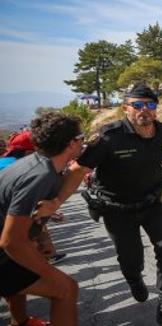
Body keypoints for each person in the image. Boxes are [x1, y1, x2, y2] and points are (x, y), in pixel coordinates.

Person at [45, 85, 162, 325]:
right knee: (130, 259)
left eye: (150, 105)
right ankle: (134, 278)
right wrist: (57, 201)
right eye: (138, 105)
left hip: (155, 203)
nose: (145, 110)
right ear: (126, 109)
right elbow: (78, 170)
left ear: (156, 109)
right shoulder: (108, 137)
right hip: (117, 208)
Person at [0, 112, 82, 326]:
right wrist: (52, 274)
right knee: (66, 288)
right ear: (71, 144)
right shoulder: (40, 176)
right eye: (81, 137)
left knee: (23, 272)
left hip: (6, 255)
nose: (82, 141)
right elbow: (11, 241)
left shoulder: (36, 163)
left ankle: (20, 322)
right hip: (4, 252)